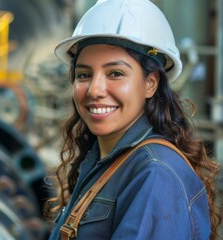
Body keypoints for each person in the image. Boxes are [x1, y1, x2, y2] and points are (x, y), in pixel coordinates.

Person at [44, 0, 222, 239]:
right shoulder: (106, 159)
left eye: (115, 73)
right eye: (84, 74)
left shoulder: (155, 175)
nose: (94, 90)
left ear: (150, 84)